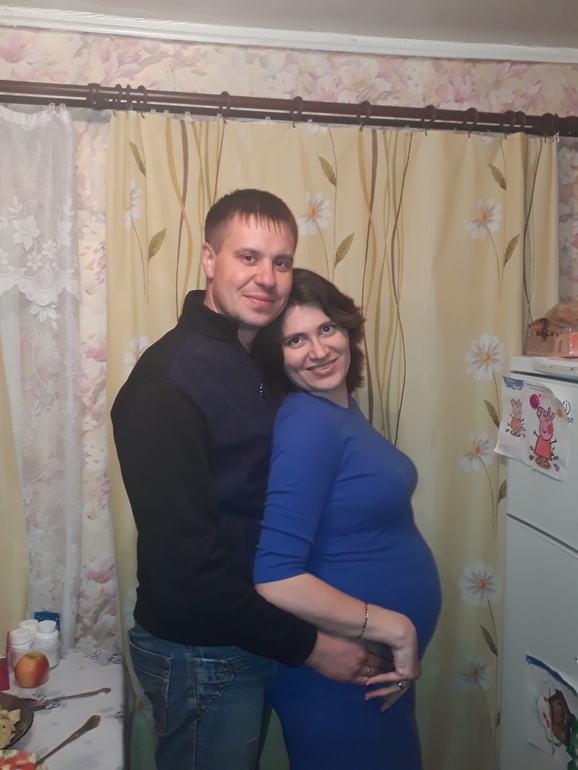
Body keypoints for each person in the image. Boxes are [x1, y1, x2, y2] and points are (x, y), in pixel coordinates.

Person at [111, 190, 387, 770]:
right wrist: (312, 648)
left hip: (250, 634)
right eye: (248, 257)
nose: (267, 277)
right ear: (209, 259)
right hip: (201, 652)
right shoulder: (168, 384)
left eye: (281, 261)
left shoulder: (252, 358)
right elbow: (189, 573)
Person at [253, 268, 442, 770]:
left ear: (347, 329)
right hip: (341, 674)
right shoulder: (308, 422)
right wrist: (396, 627)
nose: (318, 351)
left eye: (326, 329)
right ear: (277, 355)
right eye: (295, 339)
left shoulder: (339, 412)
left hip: (369, 674)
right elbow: (275, 576)